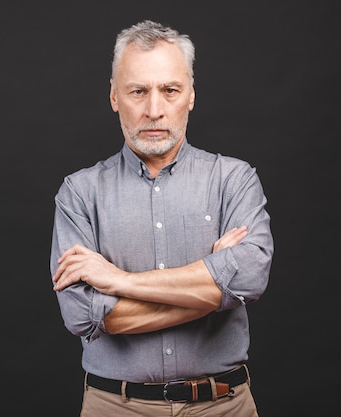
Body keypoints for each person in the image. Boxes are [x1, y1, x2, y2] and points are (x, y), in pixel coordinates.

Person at [50, 20, 274, 417]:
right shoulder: (79, 193)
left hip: (224, 406)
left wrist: (119, 281)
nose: (154, 110)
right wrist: (214, 290)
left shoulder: (234, 179)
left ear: (190, 96)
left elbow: (250, 277)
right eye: (138, 91)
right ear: (115, 96)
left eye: (169, 90)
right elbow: (84, 315)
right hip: (114, 407)